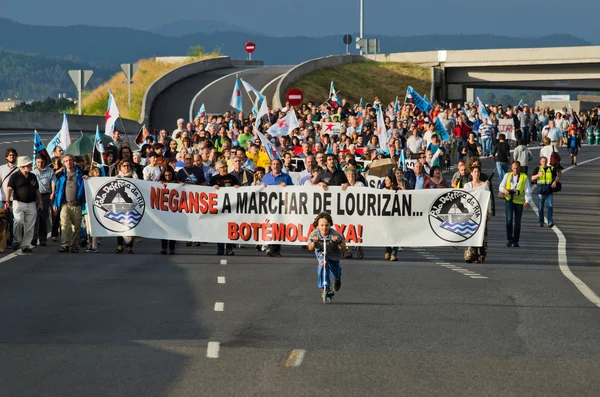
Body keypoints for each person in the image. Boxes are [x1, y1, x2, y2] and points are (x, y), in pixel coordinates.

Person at [4, 156, 42, 253]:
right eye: (28, 164)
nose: (30, 165)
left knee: (30, 225)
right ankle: (17, 240)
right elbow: (9, 189)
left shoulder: (32, 176)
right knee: (18, 221)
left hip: (31, 203)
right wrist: (7, 201)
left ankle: (25, 245)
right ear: (22, 166)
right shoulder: (15, 176)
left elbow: (37, 189)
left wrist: (40, 201)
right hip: (18, 202)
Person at [307, 212, 346, 301]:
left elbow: (344, 248)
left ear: (330, 225)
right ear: (318, 226)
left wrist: (338, 242)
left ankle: (337, 278)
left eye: (327, 225)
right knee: (322, 265)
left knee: (335, 270)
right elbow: (309, 247)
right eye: (322, 225)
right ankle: (325, 287)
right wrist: (314, 242)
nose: (324, 228)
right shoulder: (314, 234)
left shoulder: (335, 233)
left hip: (334, 253)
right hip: (321, 252)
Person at [53, 154, 86, 254]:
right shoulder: (61, 175)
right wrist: (55, 203)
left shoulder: (79, 174)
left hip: (77, 204)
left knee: (76, 227)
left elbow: (86, 185)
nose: (69, 162)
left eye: (70, 160)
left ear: (73, 161)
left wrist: (86, 178)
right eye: (66, 161)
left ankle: (75, 246)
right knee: (64, 224)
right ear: (63, 163)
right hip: (64, 204)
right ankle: (65, 245)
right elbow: (58, 191)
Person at [261, 158, 293, 257]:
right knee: (270, 226)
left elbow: (294, 190)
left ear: (281, 166)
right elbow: (258, 189)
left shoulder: (286, 177)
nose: (275, 166)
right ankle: (271, 247)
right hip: (268, 207)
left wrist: (286, 186)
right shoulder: (266, 177)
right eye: (273, 164)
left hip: (281, 206)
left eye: (277, 164)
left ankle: (274, 248)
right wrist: (262, 186)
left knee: (278, 227)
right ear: (271, 166)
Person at [210, 159, 240, 256]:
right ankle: (220, 248)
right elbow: (206, 192)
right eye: (223, 167)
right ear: (218, 168)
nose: (225, 168)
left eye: (226, 166)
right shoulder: (214, 179)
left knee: (230, 228)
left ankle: (229, 248)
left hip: (230, 207)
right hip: (218, 208)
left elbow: (240, 190)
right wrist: (212, 188)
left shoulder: (233, 178)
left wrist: (237, 188)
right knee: (220, 228)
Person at [499, 161, 531, 247]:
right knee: (509, 220)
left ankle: (516, 240)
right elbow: (501, 186)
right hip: (509, 200)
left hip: (519, 202)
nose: (515, 170)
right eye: (513, 168)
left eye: (517, 168)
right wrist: (505, 190)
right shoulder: (507, 175)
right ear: (511, 168)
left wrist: (527, 201)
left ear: (519, 168)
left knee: (517, 222)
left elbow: (527, 190)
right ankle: (510, 239)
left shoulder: (524, 177)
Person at [463, 165, 490, 263]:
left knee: (482, 233)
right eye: (474, 171)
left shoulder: (484, 186)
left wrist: (488, 211)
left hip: (481, 213)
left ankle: (481, 254)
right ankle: (470, 253)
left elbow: (488, 199)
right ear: (471, 173)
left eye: (478, 171)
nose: (476, 173)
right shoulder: (467, 186)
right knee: (470, 232)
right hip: (470, 213)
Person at [114, 159, 138, 254]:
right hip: (120, 203)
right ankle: (119, 245)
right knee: (120, 224)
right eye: (124, 166)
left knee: (130, 224)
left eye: (128, 165)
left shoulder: (135, 177)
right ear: (121, 167)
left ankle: (130, 246)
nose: (126, 167)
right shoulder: (117, 177)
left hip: (131, 203)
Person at [31, 156, 55, 247]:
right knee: (34, 217)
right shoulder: (32, 172)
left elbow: (53, 182)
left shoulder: (50, 171)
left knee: (43, 218)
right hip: (35, 196)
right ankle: (33, 238)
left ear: (44, 162)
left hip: (45, 196)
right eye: (38, 162)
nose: (40, 164)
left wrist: (53, 192)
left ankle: (42, 239)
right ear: (35, 162)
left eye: (41, 162)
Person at [531, 156, 560, 228]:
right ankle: (541, 221)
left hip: (549, 191)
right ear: (540, 162)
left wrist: (555, 182)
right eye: (543, 161)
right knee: (540, 208)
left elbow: (558, 175)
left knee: (550, 207)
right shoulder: (538, 169)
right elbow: (532, 178)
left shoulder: (550, 169)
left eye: (545, 161)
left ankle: (550, 221)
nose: (544, 163)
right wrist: (538, 175)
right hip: (541, 191)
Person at [0, 148, 18, 248]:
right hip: (2, 199)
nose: (12, 156)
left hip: (13, 200)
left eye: (13, 155)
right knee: (1, 222)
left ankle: (10, 242)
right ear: (7, 157)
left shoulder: (19, 169)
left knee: (12, 222)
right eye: (10, 155)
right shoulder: (2, 168)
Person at [159, 169, 178, 254]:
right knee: (163, 229)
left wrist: (182, 185)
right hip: (163, 209)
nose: (167, 177)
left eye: (169, 175)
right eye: (166, 175)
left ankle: (172, 247)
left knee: (173, 228)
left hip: (174, 209)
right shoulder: (159, 183)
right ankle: (164, 247)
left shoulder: (176, 183)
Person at [382, 174, 400, 261]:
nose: (385, 182)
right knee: (388, 232)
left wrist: (403, 189)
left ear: (392, 182)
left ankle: (394, 252)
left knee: (396, 233)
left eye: (387, 180)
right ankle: (388, 249)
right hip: (387, 216)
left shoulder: (399, 190)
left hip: (397, 215)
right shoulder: (384, 190)